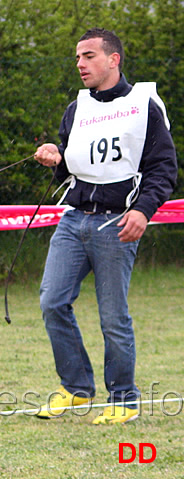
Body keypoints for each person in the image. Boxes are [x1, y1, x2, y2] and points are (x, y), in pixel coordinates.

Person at [33, 28, 177, 424]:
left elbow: (164, 169)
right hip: (73, 219)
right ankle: (77, 389)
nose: (80, 64)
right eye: (78, 57)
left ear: (114, 60)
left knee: (113, 317)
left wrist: (143, 211)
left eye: (89, 56)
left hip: (118, 223)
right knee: (51, 302)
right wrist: (55, 156)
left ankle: (124, 399)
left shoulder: (144, 105)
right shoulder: (76, 109)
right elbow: (74, 163)